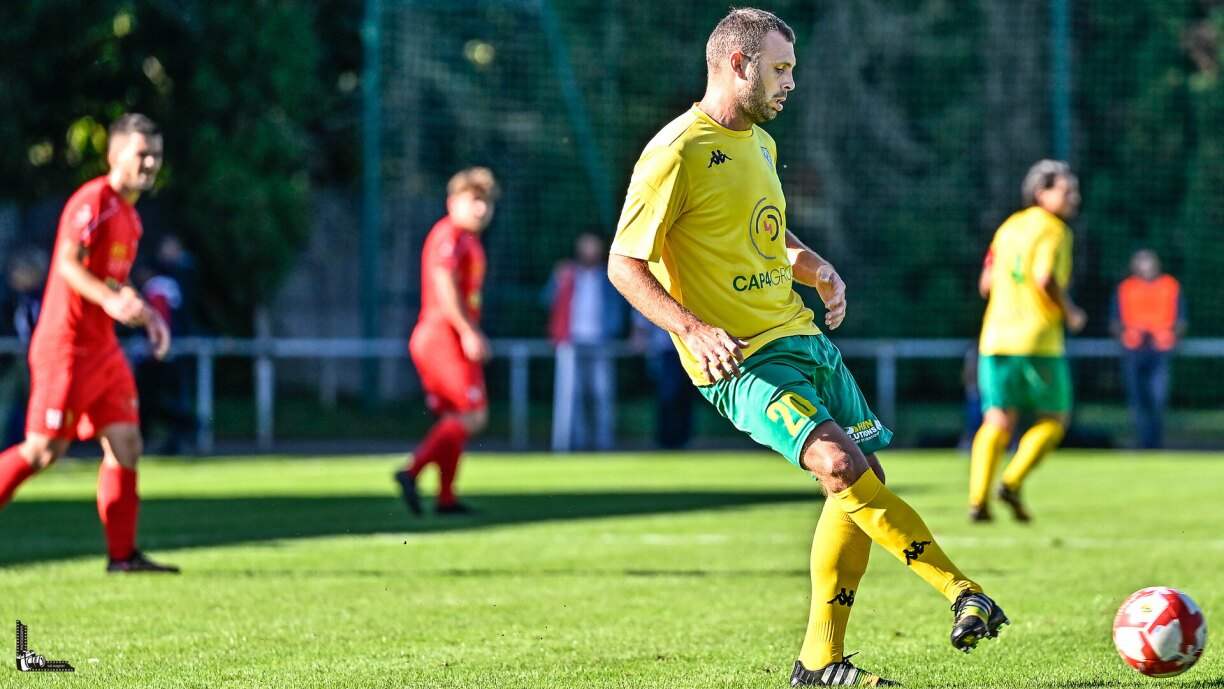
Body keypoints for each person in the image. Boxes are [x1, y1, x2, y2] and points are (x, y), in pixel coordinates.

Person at [607, 9, 1006, 686]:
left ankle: (820, 662)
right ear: (739, 64)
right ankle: (961, 589)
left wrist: (814, 266)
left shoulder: (758, 144)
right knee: (840, 466)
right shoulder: (675, 150)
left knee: (857, 478)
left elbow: (764, 238)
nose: (791, 82)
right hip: (742, 358)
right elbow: (624, 263)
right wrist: (693, 328)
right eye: (781, 68)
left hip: (801, 337)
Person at [0, 113, 178, 573]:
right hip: (67, 347)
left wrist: (146, 313)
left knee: (126, 443)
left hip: (103, 351)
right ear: (114, 154)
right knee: (43, 450)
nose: (151, 162)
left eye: (155, 153)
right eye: (142, 153)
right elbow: (67, 265)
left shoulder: (132, 218)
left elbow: (111, 282)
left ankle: (123, 557)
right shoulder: (93, 200)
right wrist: (110, 300)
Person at [968, 160, 1086, 524]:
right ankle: (1012, 481)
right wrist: (1070, 312)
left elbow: (985, 283)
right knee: (1056, 418)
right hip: (1038, 340)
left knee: (997, 420)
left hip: (996, 338)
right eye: (1066, 190)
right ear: (1042, 193)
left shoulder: (1008, 227)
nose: (1074, 198)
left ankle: (978, 501)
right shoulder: (1055, 230)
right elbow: (1045, 277)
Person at [394, 167, 498, 516]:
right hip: (442, 335)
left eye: (485, 202)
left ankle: (446, 498)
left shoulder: (468, 239)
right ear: (453, 202)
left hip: (446, 335)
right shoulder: (449, 235)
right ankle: (411, 471)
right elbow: (443, 283)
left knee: (457, 418)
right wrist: (468, 331)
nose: (481, 209)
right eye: (474, 201)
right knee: (473, 416)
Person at [546, 232, 627, 452]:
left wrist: (612, 331)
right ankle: (577, 446)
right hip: (571, 343)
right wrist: (556, 280)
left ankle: (604, 445)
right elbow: (546, 301)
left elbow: (619, 308)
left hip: (601, 342)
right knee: (573, 397)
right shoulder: (567, 274)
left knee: (602, 394)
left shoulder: (609, 277)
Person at [1110, 249, 1186, 449]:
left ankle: (1155, 443)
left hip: (1160, 352)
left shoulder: (1169, 286)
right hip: (1134, 352)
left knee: (1158, 398)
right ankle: (1142, 442)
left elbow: (1181, 322)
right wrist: (1128, 335)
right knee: (1138, 400)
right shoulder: (1126, 288)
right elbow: (1114, 324)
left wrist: (1169, 336)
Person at [0, 247, 47, 447]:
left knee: (39, 404)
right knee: (5, 404)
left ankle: (42, 446)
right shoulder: (6, 297)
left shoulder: (41, 297)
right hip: (10, 359)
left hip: (38, 358)